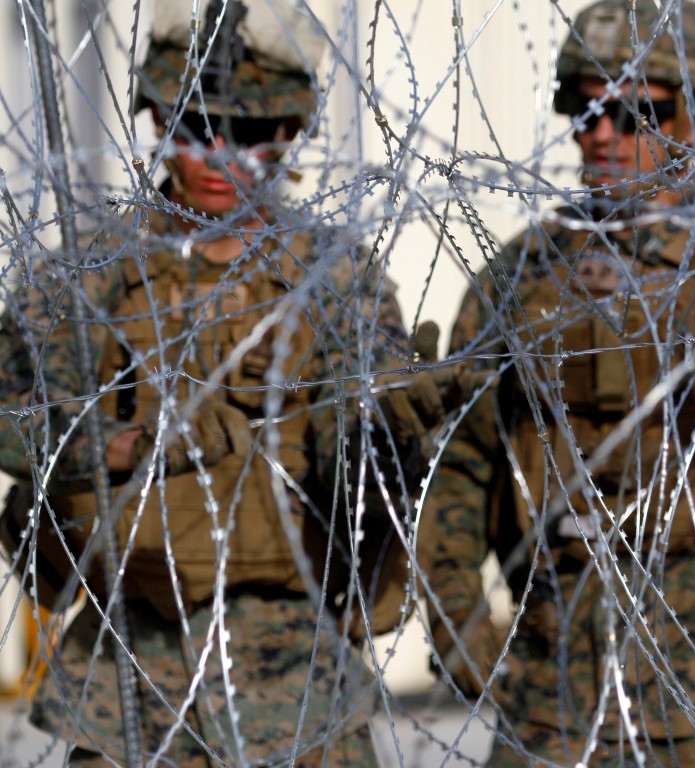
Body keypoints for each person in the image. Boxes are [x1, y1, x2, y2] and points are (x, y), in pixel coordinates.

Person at [0, 1, 454, 764]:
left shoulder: (333, 276)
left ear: (288, 133)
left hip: (296, 668)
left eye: (247, 133)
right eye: (192, 124)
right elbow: (12, 414)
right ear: (154, 118)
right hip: (129, 672)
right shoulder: (87, 275)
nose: (218, 153)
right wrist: (105, 449)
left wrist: (387, 430)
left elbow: (361, 462)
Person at [417, 1, 695, 765]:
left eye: (634, 113)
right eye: (583, 109)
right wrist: (462, 629)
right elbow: (458, 474)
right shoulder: (521, 279)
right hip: (556, 675)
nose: (601, 134)